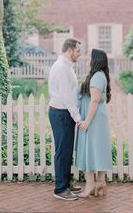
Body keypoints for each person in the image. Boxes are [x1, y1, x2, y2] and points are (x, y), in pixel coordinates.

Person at [75, 48, 112, 198]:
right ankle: (100, 182)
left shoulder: (96, 76)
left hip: (93, 119)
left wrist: (86, 122)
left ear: (95, 60)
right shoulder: (100, 75)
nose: (86, 59)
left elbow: (95, 100)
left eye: (89, 57)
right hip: (97, 118)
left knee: (89, 149)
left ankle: (90, 184)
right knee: (98, 149)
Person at [48, 38, 82, 201]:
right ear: (69, 51)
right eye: (77, 51)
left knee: (67, 150)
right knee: (62, 151)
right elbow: (67, 96)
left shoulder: (67, 67)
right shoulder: (62, 68)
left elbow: (72, 92)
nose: (79, 55)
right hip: (61, 113)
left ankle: (66, 183)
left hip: (64, 113)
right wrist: (77, 117)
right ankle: (60, 189)